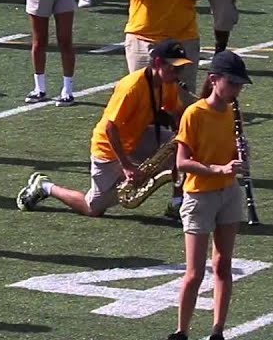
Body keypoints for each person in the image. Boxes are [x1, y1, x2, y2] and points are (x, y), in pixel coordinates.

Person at [17, 40, 191, 216]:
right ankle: (45, 187)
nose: (178, 73)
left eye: (181, 68)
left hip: (136, 137)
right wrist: (126, 166)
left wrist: (182, 130)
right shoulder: (132, 87)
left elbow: (176, 111)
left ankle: (177, 202)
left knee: (183, 146)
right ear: (158, 63)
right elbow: (110, 128)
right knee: (93, 208)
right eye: (175, 68)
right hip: (108, 147)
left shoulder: (167, 83)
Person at [168, 52, 253, 340]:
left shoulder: (231, 112)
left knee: (223, 264)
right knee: (195, 272)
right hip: (200, 197)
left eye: (239, 85)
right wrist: (219, 168)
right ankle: (182, 331)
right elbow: (182, 162)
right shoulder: (195, 113)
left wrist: (241, 157)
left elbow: (230, 155)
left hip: (228, 193)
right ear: (214, 80)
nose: (236, 90)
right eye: (233, 84)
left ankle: (218, 330)